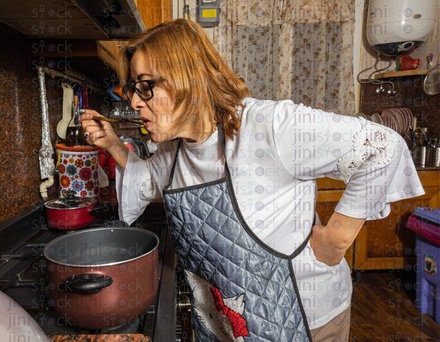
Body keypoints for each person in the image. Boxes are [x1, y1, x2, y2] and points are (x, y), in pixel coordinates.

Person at [80, 19, 424, 341]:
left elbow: (382, 146)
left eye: (144, 86)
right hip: (227, 320)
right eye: (132, 90)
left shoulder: (270, 126)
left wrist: (336, 240)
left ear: (186, 75)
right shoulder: (173, 150)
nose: (135, 102)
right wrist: (112, 145)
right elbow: (148, 182)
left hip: (305, 317)